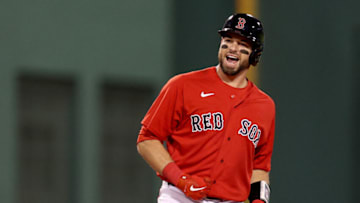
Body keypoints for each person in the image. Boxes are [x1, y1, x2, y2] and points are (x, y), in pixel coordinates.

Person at [136, 13, 275, 203]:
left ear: (255, 53)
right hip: (179, 196)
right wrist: (181, 179)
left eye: (243, 43)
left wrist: (259, 201)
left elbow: (259, 166)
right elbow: (147, 139)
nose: (233, 48)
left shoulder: (264, 106)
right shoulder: (182, 85)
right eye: (228, 40)